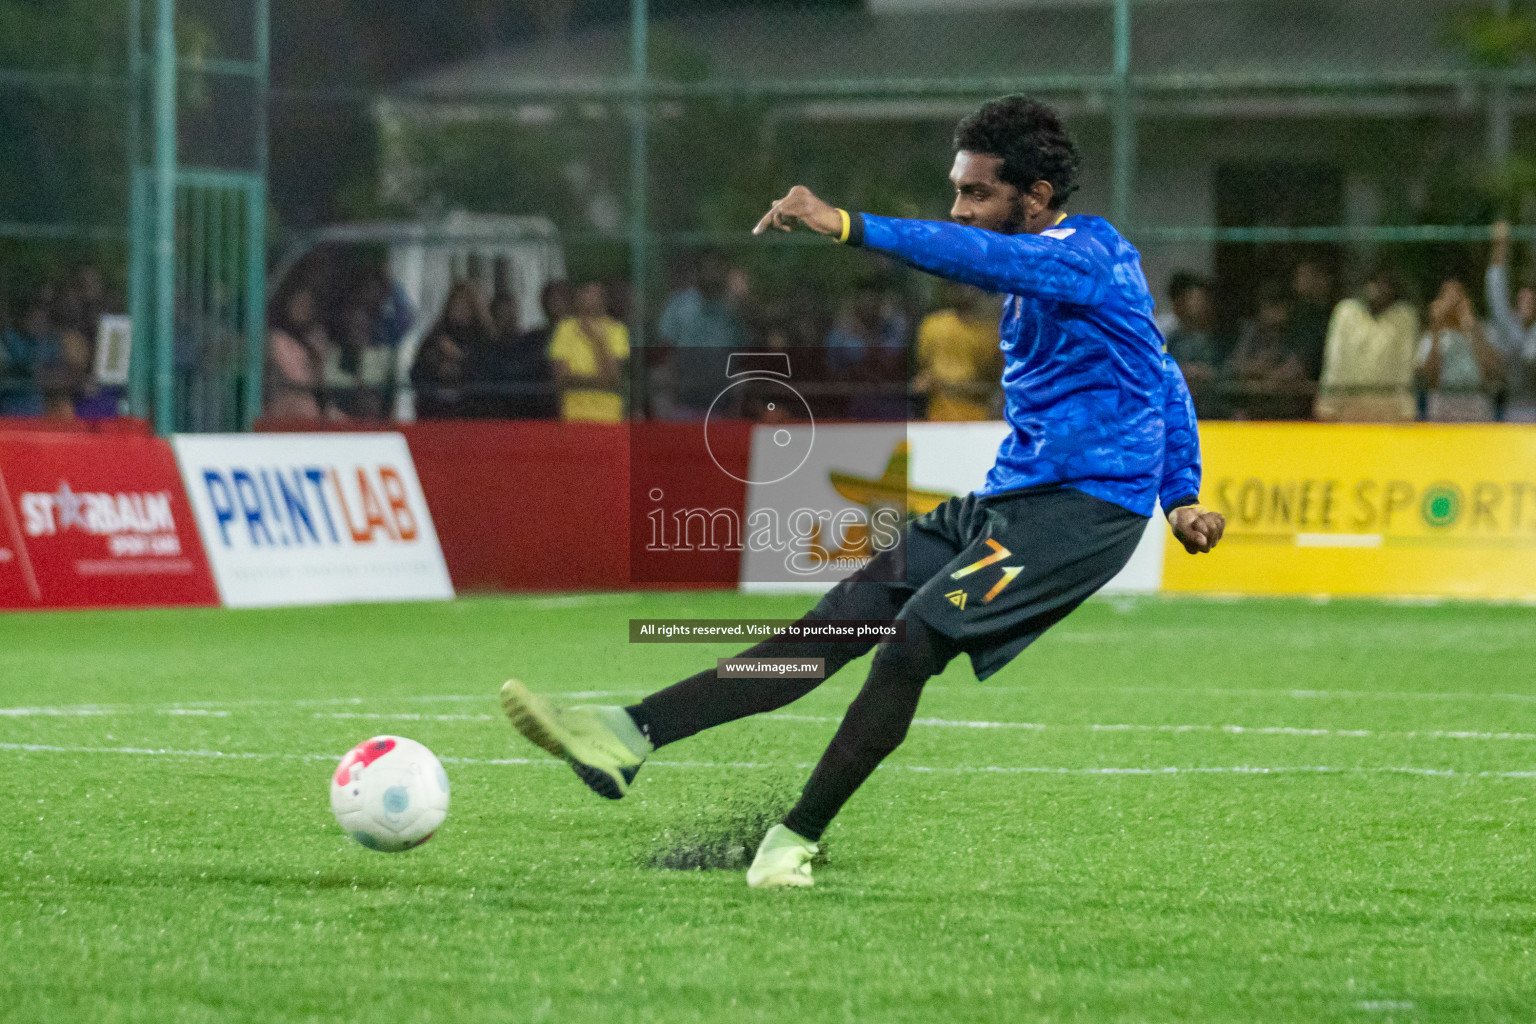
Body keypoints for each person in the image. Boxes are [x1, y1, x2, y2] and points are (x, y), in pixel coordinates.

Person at [497, 96, 1225, 889]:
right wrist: (1184, 492)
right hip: (1006, 500)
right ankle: (630, 735)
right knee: (832, 626)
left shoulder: (1089, 255)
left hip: (1082, 514)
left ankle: (793, 841)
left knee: (915, 639)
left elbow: (989, 268)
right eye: (958, 189)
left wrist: (846, 222)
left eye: (976, 192)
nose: (960, 207)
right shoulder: (1046, 274)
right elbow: (1161, 373)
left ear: (1038, 194)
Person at [1315, 268, 1419, 422]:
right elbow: (1335, 360)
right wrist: (1327, 403)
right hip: (1349, 402)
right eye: (1375, 283)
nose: (1378, 289)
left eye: (1385, 284)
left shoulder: (1403, 316)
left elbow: (1405, 364)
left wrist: (1406, 409)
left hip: (1388, 406)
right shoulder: (1346, 312)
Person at [654, 250, 746, 419]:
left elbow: (744, 357)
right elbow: (665, 352)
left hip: (722, 406)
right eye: (708, 269)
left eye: (718, 270)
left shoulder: (733, 311)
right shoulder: (679, 304)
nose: (713, 275)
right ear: (698, 272)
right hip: (683, 403)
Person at [1416, 278, 1502, 422]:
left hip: (1475, 398)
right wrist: (1436, 327)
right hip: (1443, 400)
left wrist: (1471, 327)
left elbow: (1494, 369)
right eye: (1448, 297)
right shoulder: (1431, 337)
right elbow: (1428, 376)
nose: (1453, 302)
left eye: (1458, 296)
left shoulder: (1482, 331)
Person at [1223, 280, 1310, 420]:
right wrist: (1259, 368)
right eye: (1269, 306)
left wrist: (1270, 373)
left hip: (1286, 410)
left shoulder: (1296, 332)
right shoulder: (1252, 331)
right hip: (1253, 406)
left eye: (1279, 306)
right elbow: (1235, 366)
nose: (1274, 313)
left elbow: (1293, 370)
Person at [914, 282, 1003, 420]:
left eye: (967, 285)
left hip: (976, 412)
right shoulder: (932, 325)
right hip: (940, 410)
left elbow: (993, 374)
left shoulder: (988, 331)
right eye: (956, 285)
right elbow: (923, 369)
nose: (963, 290)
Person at [547, 281, 627, 423]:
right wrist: (601, 381)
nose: (589, 298)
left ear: (604, 300)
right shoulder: (564, 329)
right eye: (586, 292)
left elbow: (614, 378)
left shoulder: (616, 330)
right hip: (573, 417)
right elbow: (561, 378)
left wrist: (597, 340)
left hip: (608, 417)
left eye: (595, 293)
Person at [411, 281, 491, 420]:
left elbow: (487, 371)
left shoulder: (483, 338)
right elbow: (417, 371)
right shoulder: (436, 335)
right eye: (457, 303)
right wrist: (438, 366)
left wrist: (459, 357)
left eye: (466, 304)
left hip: (471, 413)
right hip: (434, 411)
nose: (461, 308)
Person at [1485, 221, 1536, 421]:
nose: (1527, 304)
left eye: (1531, 299)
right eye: (1521, 299)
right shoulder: (1509, 326)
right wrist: (1500, 245)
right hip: (1514, 410)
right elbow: (1495, 288)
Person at [1158, 271, 1218, 416]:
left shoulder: (1210, 337)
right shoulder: (1167, 334)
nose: (1198, 304)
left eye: (1201, 299)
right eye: (1193, 298)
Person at [264, 288, 328, 420]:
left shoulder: (314, 339)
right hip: (285, 405)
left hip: (308, 407)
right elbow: (291, 377)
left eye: (306, 306)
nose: (302, 310)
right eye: (298, 304)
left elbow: (318, 379)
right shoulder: (278, 338)